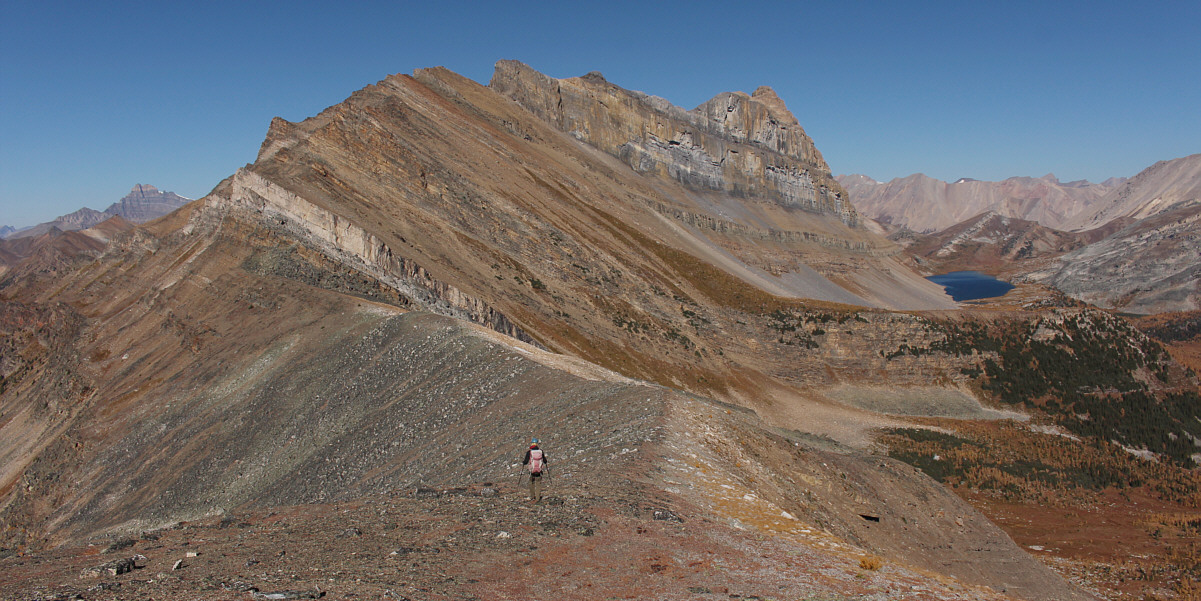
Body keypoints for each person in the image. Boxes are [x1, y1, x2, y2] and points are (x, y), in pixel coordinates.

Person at [522, 438, 549, 503]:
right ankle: (537, 498)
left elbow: (525, 461)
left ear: (531, 444)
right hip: (539, 471)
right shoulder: (541, 451)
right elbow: (545, 461)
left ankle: (532, 496)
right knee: (538, 483)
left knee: (531, 482)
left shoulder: (529, 452)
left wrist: (523, 463)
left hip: (532, 471)